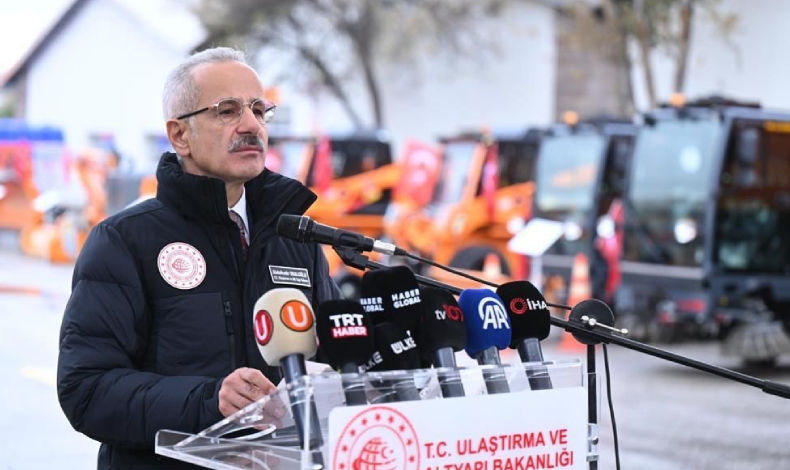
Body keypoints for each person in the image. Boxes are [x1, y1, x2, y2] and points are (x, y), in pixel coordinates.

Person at [56, 47, 342, 469]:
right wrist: (209, 401)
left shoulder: (296, 238)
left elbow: (338, 358)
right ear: (179, 136)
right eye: (227, 111)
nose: (251, 125)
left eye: (259, 110)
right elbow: (87, 390)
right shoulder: (123, 241)